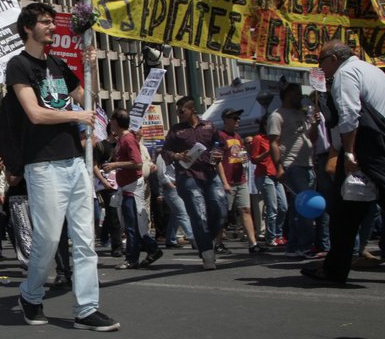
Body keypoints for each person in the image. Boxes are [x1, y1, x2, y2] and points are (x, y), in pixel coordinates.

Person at [7, 2, 119, 332]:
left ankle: (86, 308)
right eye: (45, 23)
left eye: (53, 23)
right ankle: (30, 294)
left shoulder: (58, 64)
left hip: (74, 163)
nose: (52, 28)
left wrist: (91, 68)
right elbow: (35, 113)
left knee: (85, 239)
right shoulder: (19, 65)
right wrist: (76, 116)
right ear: (28, 28)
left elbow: (88, 100)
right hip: (43, 166)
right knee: (49, 240)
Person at [301, 41, 385, 285]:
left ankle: (335, 269)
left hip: (366, 148)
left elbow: (350, 115)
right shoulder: (374, 71)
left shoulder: (346, 74)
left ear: (333, 59)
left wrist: (348, 153)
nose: (321, 68)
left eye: (321, 62)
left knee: (348, 211)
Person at [161, 96, 227, 269]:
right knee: (198, 215)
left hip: (210, 174)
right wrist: (176, 155)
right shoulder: (176, 130)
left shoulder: (209, 126)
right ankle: (207, 253)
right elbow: (165, 151)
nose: (179, 114)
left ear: (192, 109)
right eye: (177, 111)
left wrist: (219, 151)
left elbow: (220, 143)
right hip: (187, 176)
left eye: (181, 111)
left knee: (221, 210)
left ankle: (204, 238)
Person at [104, 109, 161, 270]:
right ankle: (151, 249)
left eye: (111, 120)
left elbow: (137, 162)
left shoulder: (128, 139)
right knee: (134, 224)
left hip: (132, 188)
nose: (110, 123)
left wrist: (115, 165)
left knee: (132, 225)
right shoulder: (123, 139)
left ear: (116, 122)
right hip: (127, 187)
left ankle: (133, 258)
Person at [267, 83, 320, 258]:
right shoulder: (276, 116)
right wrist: (279, 167)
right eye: (297, 93)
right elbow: (273, 142)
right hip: (292, 165)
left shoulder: (302, 113)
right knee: (306, 206)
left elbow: (310, 137)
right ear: (288, 94)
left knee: (298, 208)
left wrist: (315, 125)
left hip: (308, 164)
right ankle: (305, 245)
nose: (300, 97)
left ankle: (293, 247)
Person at [215, 109, 265, 254]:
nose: (238, 120)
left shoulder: (238, 137)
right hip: (227, 181)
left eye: (238, 118)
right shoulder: (220, 136)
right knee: (223, 214)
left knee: (246, 210)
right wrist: (224, 182)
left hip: (240, 179)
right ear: (226, 119)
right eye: (234, 118)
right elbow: (217, 161)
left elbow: (241, 155)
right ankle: (218, 243)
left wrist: (244, 159)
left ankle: (253, 244)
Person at [250, 115, 287, 248]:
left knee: (283, 207)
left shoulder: (277, 139)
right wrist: (268, 152)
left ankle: (278, 235)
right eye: (268, 123)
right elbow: (254, 159)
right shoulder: (259, 138)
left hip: (276, 175)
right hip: (264, 175)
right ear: (264, 125)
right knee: (273, 208)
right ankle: (271, 237)